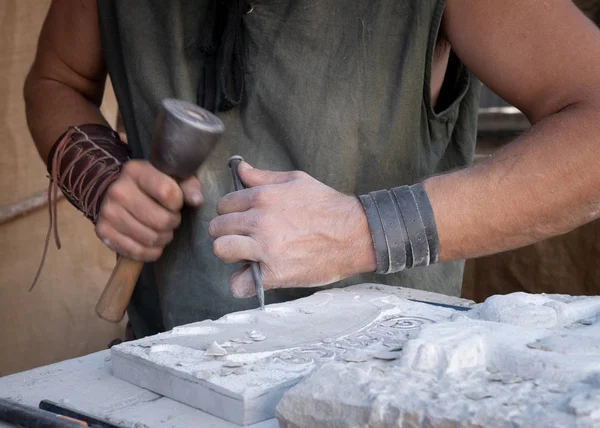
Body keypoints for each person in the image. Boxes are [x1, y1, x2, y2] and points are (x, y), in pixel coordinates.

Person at [24, 0, 600, 340]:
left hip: (385, 385)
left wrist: (365, 230)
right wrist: (101, 177)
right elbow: (57, 82)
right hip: (165, 375)